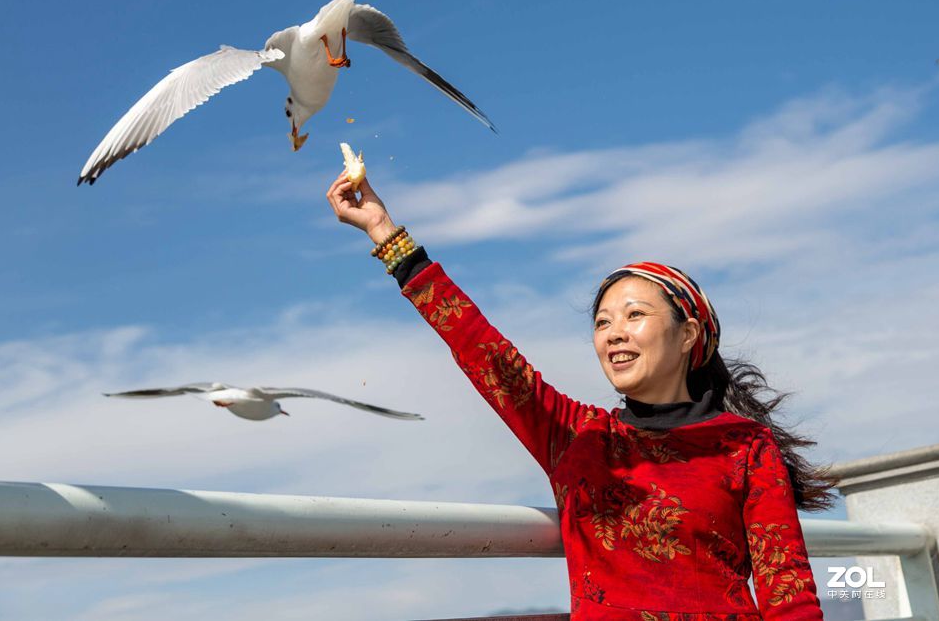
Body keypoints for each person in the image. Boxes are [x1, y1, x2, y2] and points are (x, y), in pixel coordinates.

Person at [327, 171, 838, 621]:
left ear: (688, 335)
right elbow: (483, 351)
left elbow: (787, 593)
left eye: (635, 316)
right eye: (602, 322)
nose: (614, 332)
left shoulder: (744, 446)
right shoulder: (578, 435)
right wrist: (385, 233)